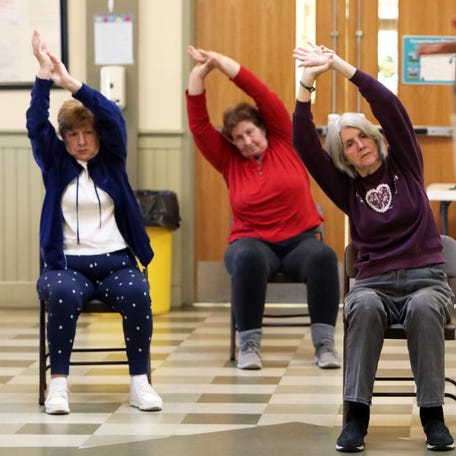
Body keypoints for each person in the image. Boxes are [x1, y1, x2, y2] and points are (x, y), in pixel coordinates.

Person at [292, 43, 455, 452]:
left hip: (427, 280)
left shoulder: (406, 165)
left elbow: (388, 104)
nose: (358, 145)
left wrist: (339, 66)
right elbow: (304, 145)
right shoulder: (347, 188)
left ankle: (432, 415)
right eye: (347, 143)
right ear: (343, 154)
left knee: (421, 308)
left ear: (375, 138)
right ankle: (356, 419)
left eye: (362, 136)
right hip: (373, 283)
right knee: (360, 307)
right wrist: (307, 83)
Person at [26, 31, 162, 415]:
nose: (82, 141)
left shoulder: (112, 159)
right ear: (65, 139)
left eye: (88, 133)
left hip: (117, 260)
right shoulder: (54, 163)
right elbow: (36, 124)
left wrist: (70, 84)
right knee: (64, 295)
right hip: (67, 264)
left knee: (137, 293)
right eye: (73, 134)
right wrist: (41, 75)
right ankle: (59, 387)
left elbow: (112, 115)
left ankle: (140, 384)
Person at [186, 45, 340, 371]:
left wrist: (223, 63)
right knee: (248, 257)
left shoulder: (285, 138)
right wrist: (199, 74)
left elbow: (261, 93)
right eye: (237, 138)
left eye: (249, 133)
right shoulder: (228, 159)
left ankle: (325, 345)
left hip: (299, 241)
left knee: (324, 257)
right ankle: (249, 346)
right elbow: (199, 126)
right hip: (251, 241)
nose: (246, 142)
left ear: (263, 128)